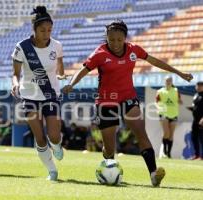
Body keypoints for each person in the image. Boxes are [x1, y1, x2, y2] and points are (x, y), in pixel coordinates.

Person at [62, 19, 193, 186]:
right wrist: (71, 84)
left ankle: (153, 174)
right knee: (109, 149)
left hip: (128, 99)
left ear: (125, 37)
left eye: (119, 39)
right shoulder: (99, 53)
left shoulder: (133, 49)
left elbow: (155, 61)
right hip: (106, 102)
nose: (115, 43)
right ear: (107, 38)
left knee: (141, 133)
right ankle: (108, 164)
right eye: (111, 40)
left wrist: (179, 73)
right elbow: (83, 70)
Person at [11, 6, 66, 181]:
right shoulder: (22, 47)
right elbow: (15, 74)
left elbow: (60, 68)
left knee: (54, 135)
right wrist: (16, 84)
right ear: (34, 29)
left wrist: (61, 75)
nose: (46, 33)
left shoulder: (57, 46)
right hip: (29, 95)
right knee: (40, 137)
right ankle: (51, 170)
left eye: (49, 30)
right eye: (42, 30)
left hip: (50, 93)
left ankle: (57, 146)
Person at [156, 76, 182, 158]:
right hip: (163, 113)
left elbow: (180, 101)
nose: (168, 82)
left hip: (174, 114)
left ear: (172, 81)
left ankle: (168, 153)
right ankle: (164, 151)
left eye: (170, 80)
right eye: (167, 80)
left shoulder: (176, 90)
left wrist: (179, 101)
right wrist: (159, 108)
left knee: (171, 135)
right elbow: (156, 102)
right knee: (166, 133)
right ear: (164, 81)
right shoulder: (160, 91)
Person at [190, 81, 203, 160]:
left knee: (202, 138)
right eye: (197, 85)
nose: (198, 87)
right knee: (194, 137)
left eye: (200, 86)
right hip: (195, 119)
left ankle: (202, 156)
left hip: (202, 120)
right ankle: (197, 155)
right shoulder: (196, 95)